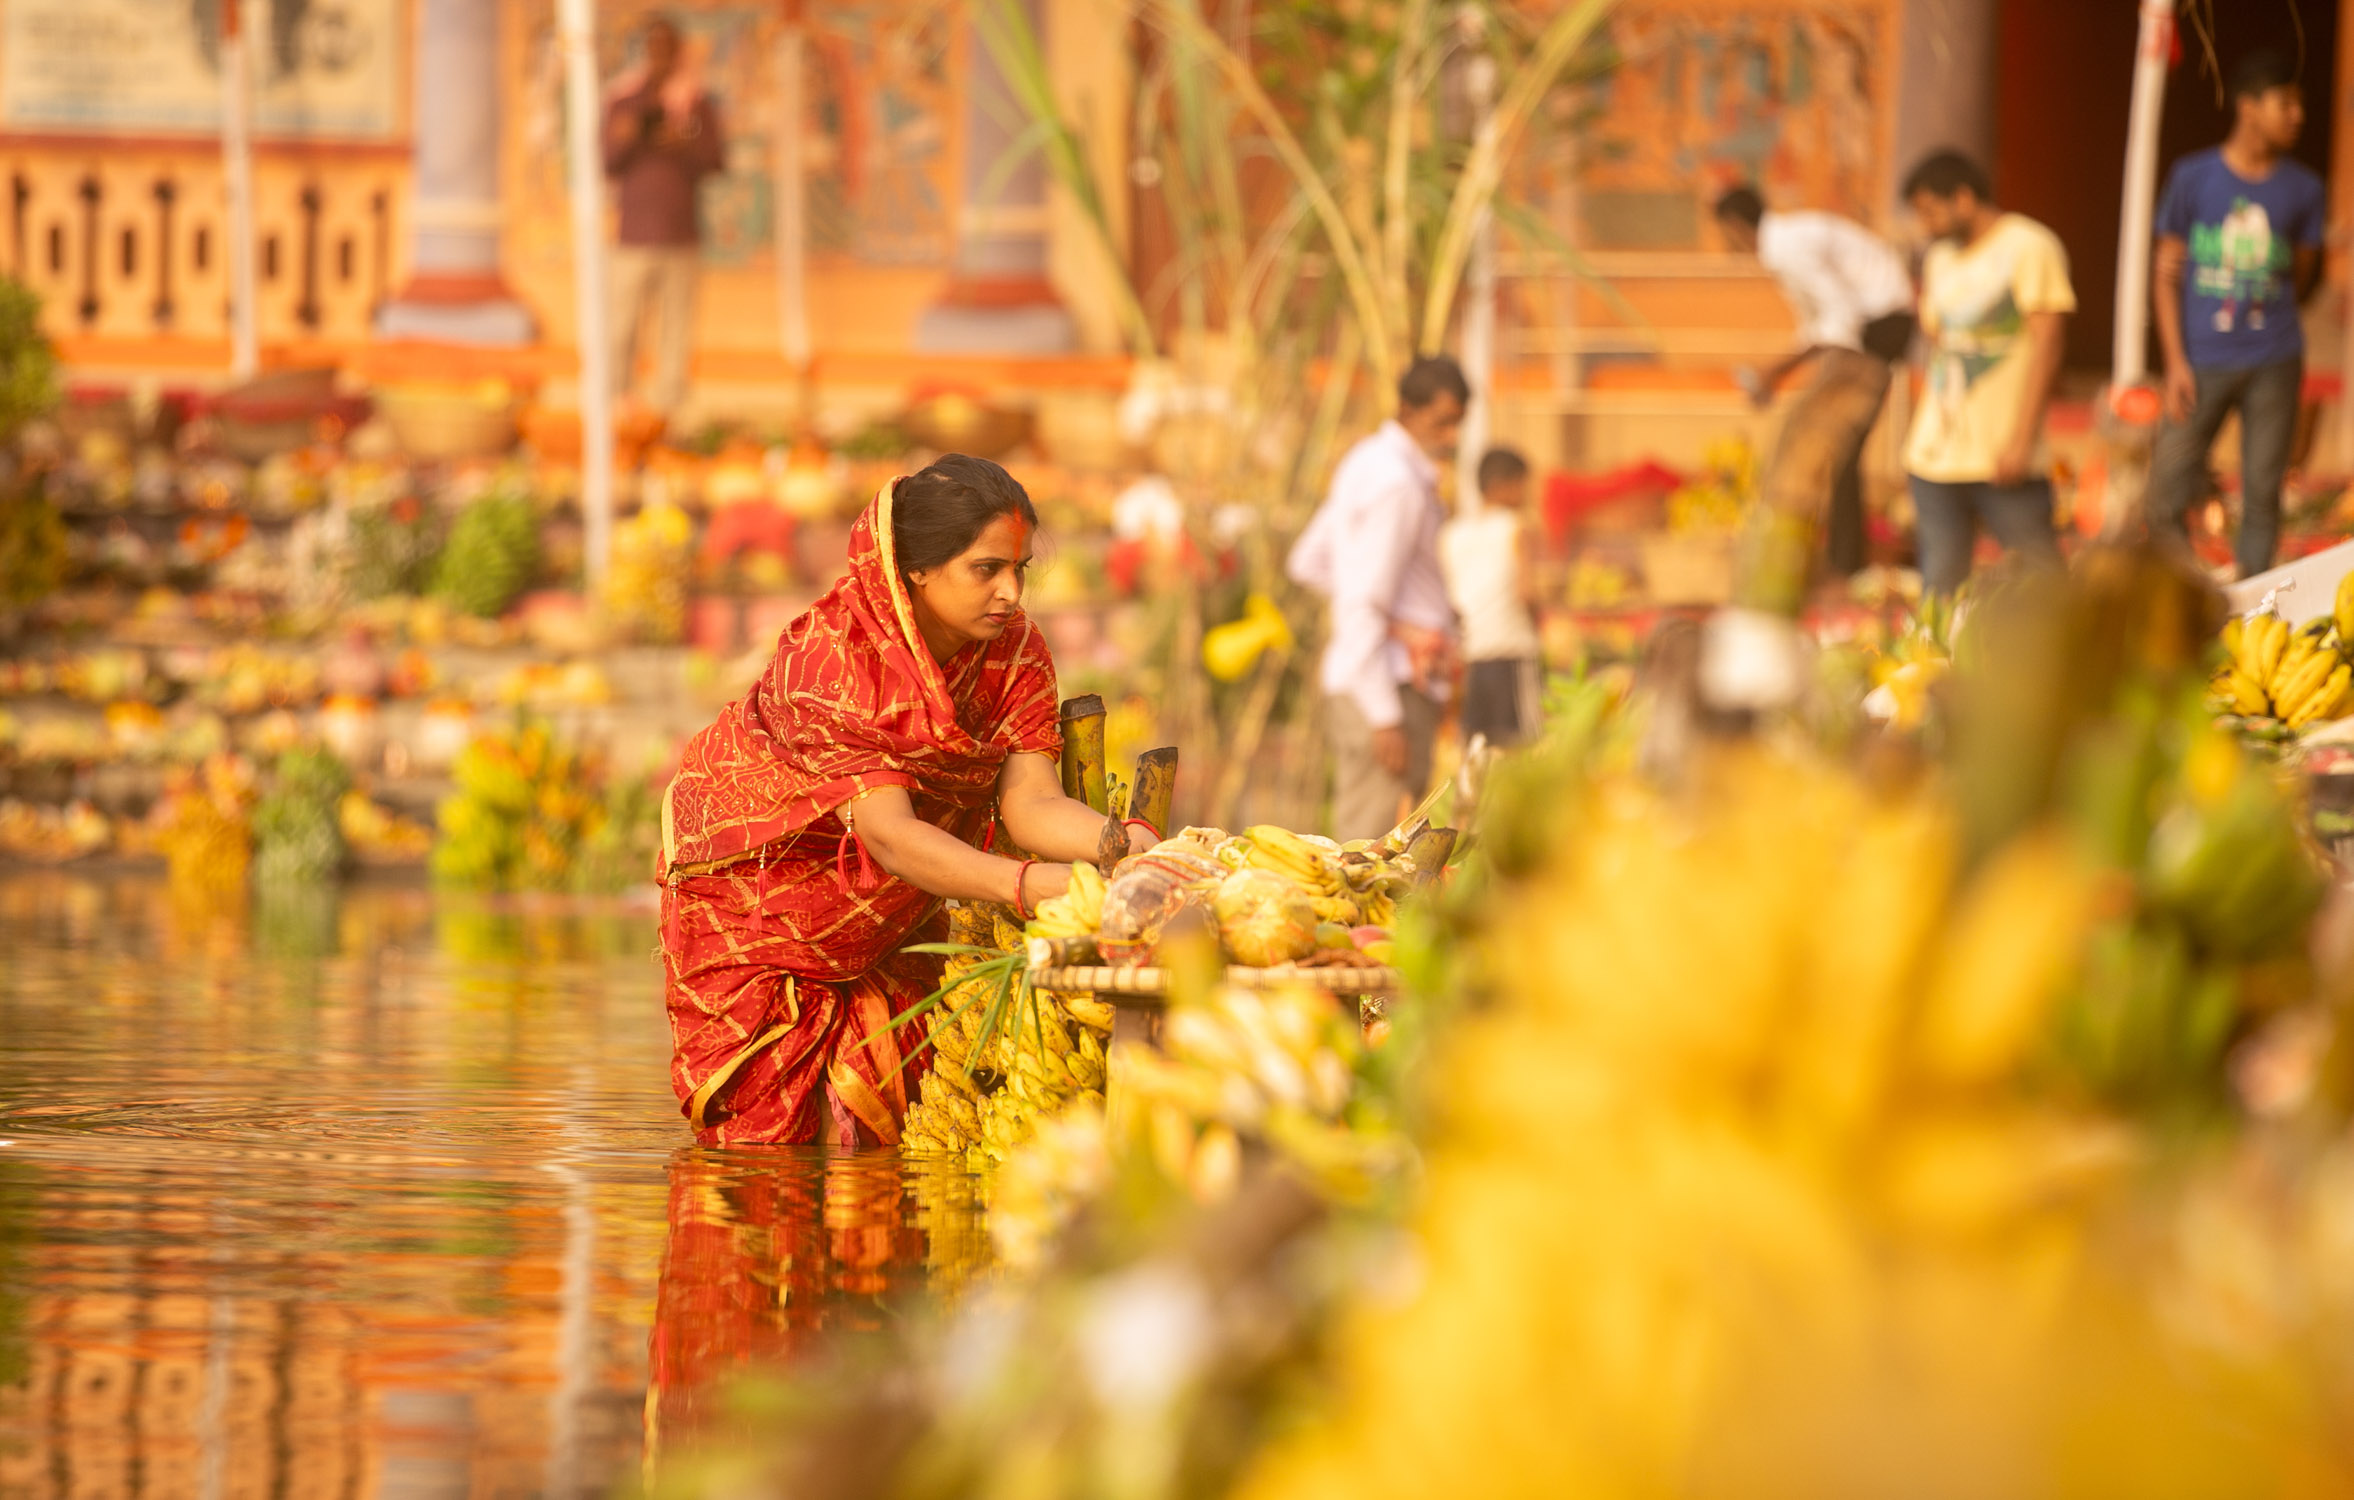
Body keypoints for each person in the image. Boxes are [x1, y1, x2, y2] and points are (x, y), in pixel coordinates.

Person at [657, 455, 1158, 1146]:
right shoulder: (835, 655)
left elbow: (1030, 804)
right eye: (987, 570)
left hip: (892, 912)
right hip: (759, 907)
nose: (1011, 593)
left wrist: (1128, 847)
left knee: (888, 1135)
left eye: (1020, 570)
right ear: (917, 568)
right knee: (764, 1164)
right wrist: (1039, 887)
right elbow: (890, 835)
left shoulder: (1014, 652)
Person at [2149, 48, 2324, 579]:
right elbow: (2165, 274)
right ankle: (2185, 588)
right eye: (2285, 103)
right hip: (2201, 359)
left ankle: (2252, 597)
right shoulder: (2192, 177)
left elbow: (2301, 274)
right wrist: (2175, 361)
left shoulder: (2304, 188)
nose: (2298, 115)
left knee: (2263, 490)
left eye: (2300, 105)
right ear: (2248, 108)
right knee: (2163, 488)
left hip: (2275, 358)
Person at [1288, 356, 1465, 842]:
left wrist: (1390, 620)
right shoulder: (1399, 485)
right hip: (1389, 687)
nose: (1451, 436)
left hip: (1369, 678)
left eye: (1457, 424)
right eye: (1441, 422)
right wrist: (1384, 713)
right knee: (1370, 862)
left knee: (1364, 854)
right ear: (1408, 409)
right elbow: (1363, 599)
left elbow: (1310, 562)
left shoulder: (1364, 462)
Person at [1714, 185, 1916, 577]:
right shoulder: (1785, 243)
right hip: (1871, 328)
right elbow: (1818, 326)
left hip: (1881, 326)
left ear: (1735, 226)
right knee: (1836, 450)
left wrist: (1776, 371)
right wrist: (1777, 373)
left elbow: (1840, 320)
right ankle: (1841, 560)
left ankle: (1831, 562)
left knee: (1816, 441)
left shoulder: (1786, 246)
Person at [1901, 149, 2074, 594]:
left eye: (1929, 210)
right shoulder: (1939, 258)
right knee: (1940, 585)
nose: (1925, 223)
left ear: (1963, 198)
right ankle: (1939, 664)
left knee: (2042, 580)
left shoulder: (2029, 246)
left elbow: (2048, 344)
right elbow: (1939, 350)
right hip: (1935, 458)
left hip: (2003, 458)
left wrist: (2021, 440)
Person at [604, 15, 725, 417]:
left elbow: (715, 159)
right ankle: (617, 402)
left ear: (677, 51)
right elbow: (607, 160)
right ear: (644, 49)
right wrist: (630, 131)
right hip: (633, 234)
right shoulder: (624, 99)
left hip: (680, 234)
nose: (660, 54)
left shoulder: (695, 102)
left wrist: (682, 142)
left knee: (676, 329)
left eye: (667, 46)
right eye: (653, 45)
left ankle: (668, 410)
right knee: (621, 324)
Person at [1440, 447, 1543, 748]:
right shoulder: (1515, 527)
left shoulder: (1453, 533)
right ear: (1506, 485)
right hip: (1511, 650)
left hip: (1472, 655)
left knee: (1477, 753)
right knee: (1521, 751)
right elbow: (1526, 593)